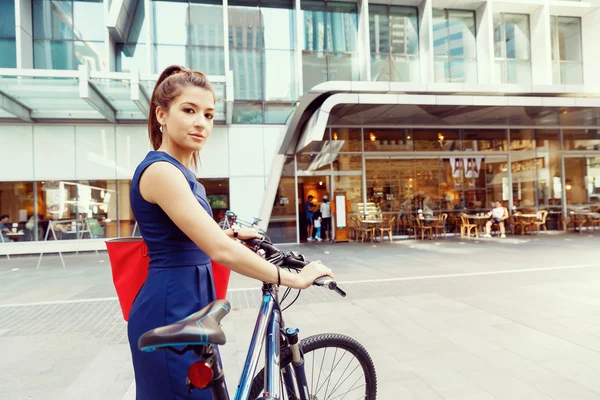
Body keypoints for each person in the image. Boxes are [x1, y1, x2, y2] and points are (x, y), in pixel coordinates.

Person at [127, 65, 333, 400]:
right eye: (189, 110)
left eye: (208, 115)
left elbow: (194, 235)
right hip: (170, 306)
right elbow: (218, 251)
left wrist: (230, 234)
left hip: (190, 301)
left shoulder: (181, 171)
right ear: (161, 114)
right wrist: (293, 277)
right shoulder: (161, 171)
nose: (201, 123)